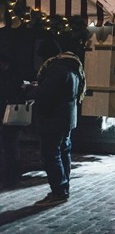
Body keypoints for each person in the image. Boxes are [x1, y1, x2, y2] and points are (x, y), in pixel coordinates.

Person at [24, 39, 86, 206]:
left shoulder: (56, 69)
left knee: (51, 155)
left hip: (53, 118)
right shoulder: (71, 67)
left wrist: (31, 89)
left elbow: (45, 95)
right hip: (66, 118)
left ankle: (58, 191)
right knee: (63, 152)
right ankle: (63, 188)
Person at [0, 49, 24, 190]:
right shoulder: (13, 76)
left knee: (10, 147)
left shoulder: (12, 77)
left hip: (10, 115)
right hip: (7, 113)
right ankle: (10, 176)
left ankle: (11, 176)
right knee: (10, 147)